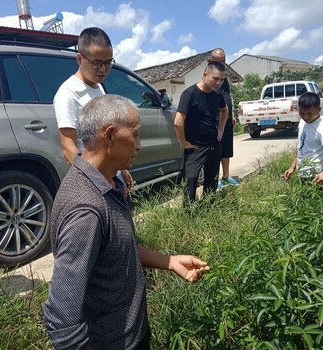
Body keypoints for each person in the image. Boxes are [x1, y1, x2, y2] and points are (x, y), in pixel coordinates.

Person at [43, 94, 209, 350]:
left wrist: (170, 261)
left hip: (133, 333)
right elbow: (62, 317)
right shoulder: (85, 209)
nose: (139, 144)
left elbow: (119, 247)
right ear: (109, 136)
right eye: (135, 134)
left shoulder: (110, 182)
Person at [53, 26, 134, 189]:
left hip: (111, 175)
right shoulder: (68, 94)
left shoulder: (97, 87)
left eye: (108, 62)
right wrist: (96, 183)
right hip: (95, 181)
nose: (103, 69)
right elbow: (69, 149)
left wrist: (121, 169)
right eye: (97, 63)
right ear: (79, 59)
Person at [174, 61, 229, 203]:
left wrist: (221, 128)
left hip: (213, 144)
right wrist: (183, 143)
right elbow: (178, 122)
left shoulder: (217, 95)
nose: (218, 83)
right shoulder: (190, 94)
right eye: (215, 79)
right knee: (190, 181)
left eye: (221, 80)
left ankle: (208, 208)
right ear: (205, 75)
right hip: (195, 147)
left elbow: (225, 110)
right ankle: (189, 214)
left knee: (212, 181)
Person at [209, 48, 239, 188]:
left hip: (226, 117)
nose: (221, 63)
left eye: (223, 61)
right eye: (218, 61)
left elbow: (228, 96)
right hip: (216, 119)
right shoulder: (210, 77)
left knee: (227, 148)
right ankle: (214, 180)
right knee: (217, 149)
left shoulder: (224, 76)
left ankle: (226, 176)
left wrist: (231, 115)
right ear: (211, 61)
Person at [284, 92, 323, 184]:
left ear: (319, 109)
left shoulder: (321, 127)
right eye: (302, 113)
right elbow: (301, 146)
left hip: (317, 176)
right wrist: (292, 167)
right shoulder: (302, 122)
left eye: (310, 113)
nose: (305, 116)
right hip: (302, 173)